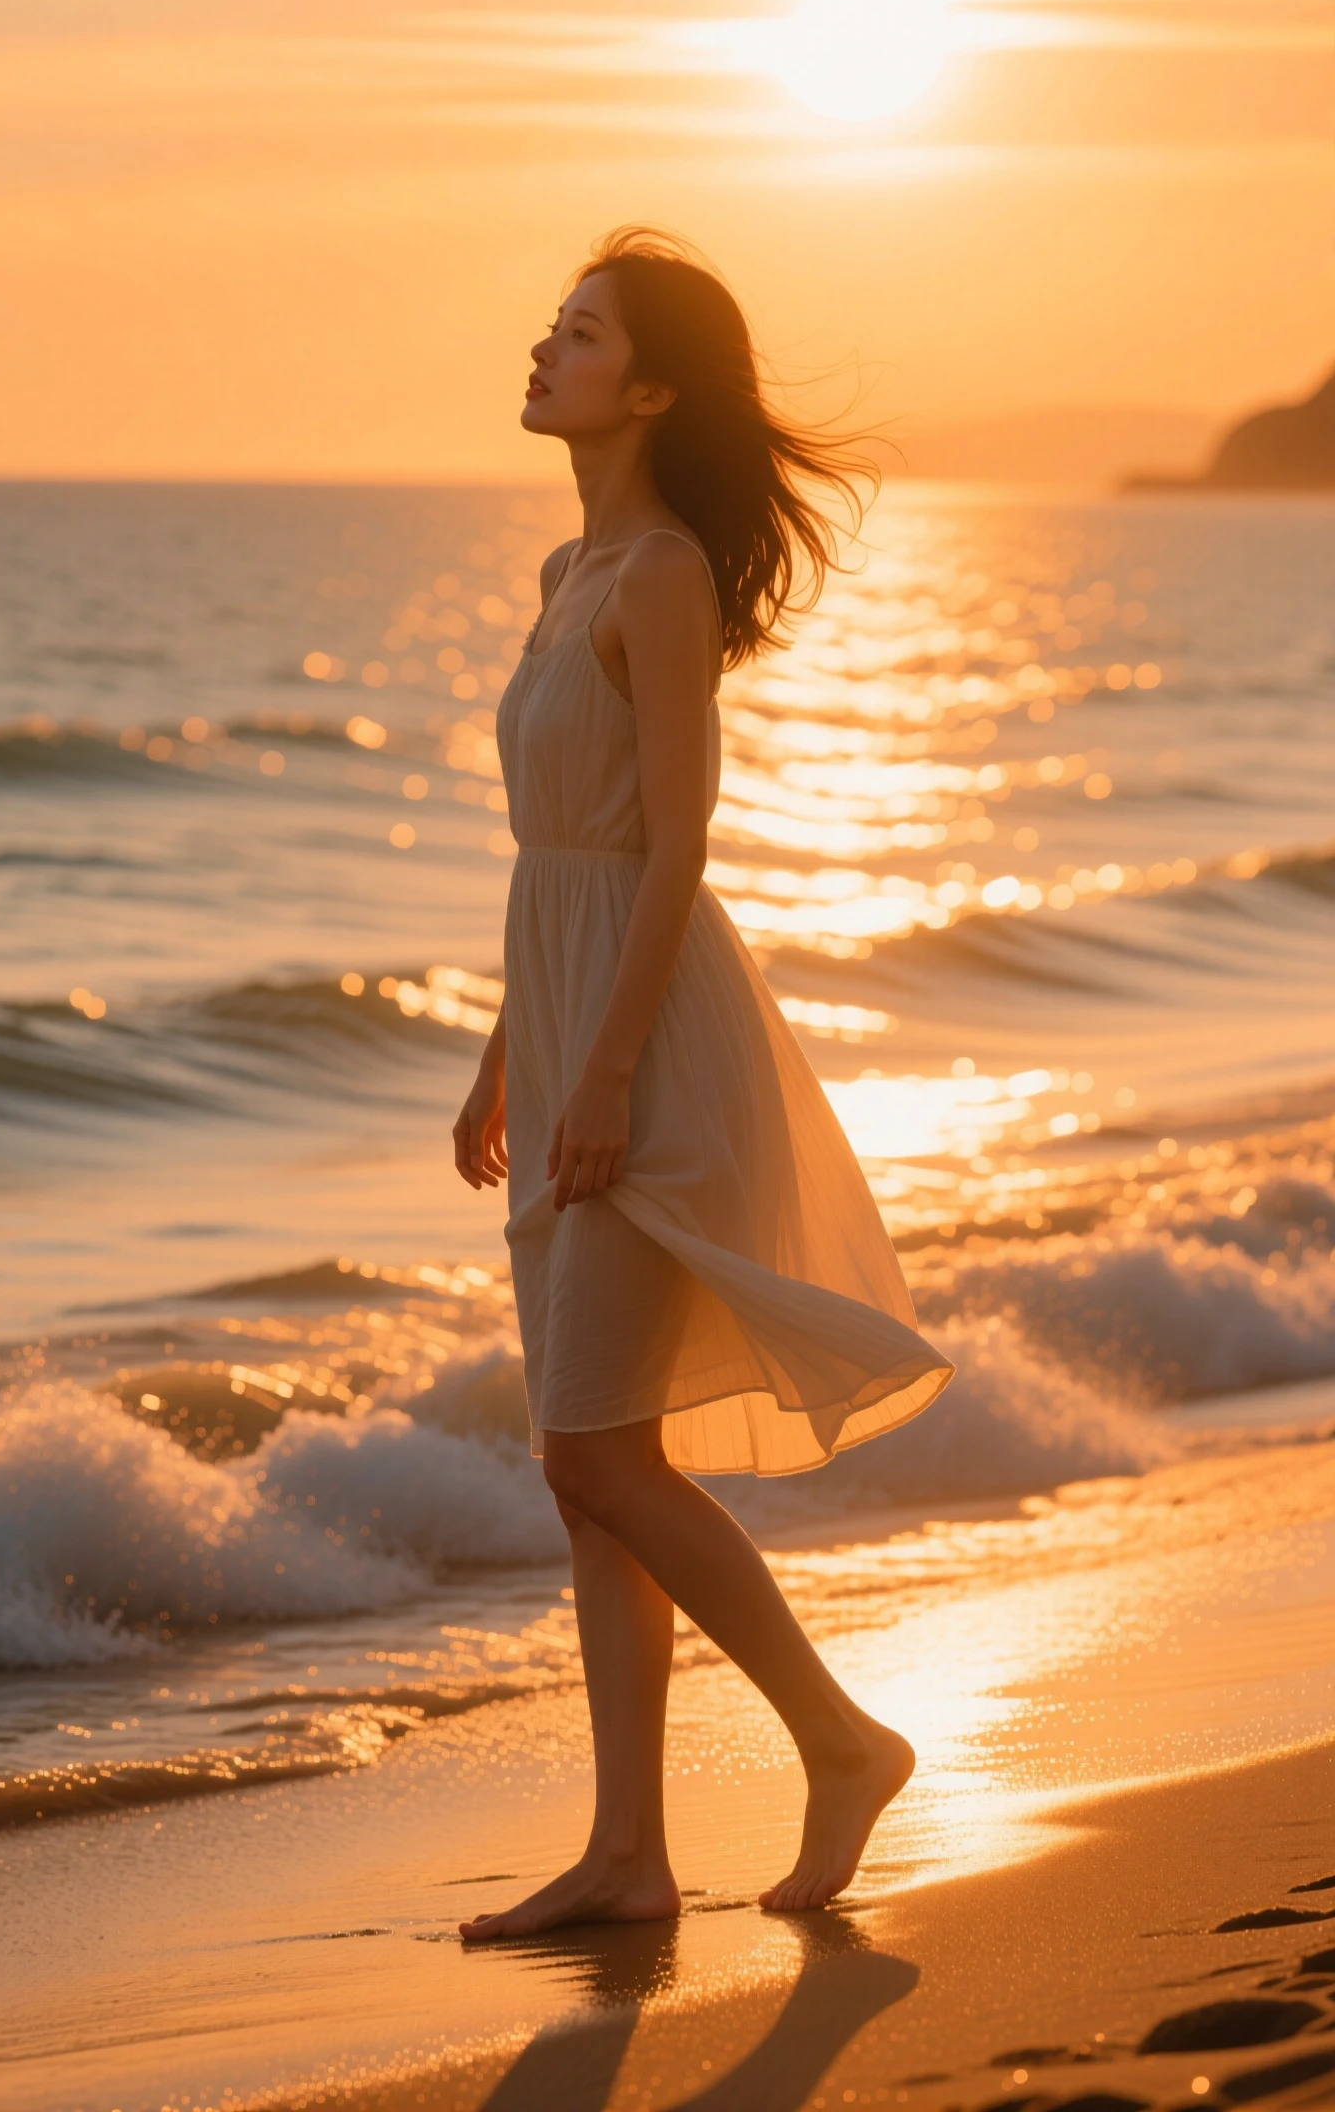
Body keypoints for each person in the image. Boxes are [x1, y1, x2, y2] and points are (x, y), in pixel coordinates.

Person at [451, 227, 953, 1937]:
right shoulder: (562, 574)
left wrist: (595, 1076)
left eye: (578, 334)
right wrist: (500, 1056)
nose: (544, 349)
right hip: (570, 1015)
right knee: (592, 1457)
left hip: (646, 1044)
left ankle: (839, 1739)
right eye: (552, 325)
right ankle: (630, 1856)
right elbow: (557, 860)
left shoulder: (659, 572)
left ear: (651, 386)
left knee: (599, 1461)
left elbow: (674, 849)